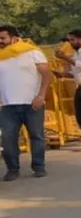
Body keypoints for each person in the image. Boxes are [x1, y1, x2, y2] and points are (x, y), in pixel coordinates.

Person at [0, 26, 52, 181]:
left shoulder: (33, 52)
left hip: (32, 103)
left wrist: (41, 96)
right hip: (7, 106)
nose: (0, 41)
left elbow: (46, 75)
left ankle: (39, 166)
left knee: (36, 136)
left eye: (3, 38)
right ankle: (12, 169)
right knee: (8, 139)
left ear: (14, 38)